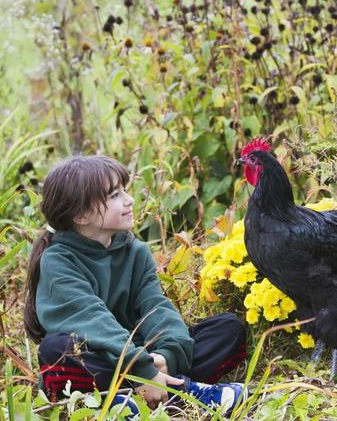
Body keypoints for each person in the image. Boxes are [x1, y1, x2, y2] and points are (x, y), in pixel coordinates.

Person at [23, 155, 247, 416]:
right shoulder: (58, 260)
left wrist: (164, 357)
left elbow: (156, 308)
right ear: (82, 215)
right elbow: (93, 319)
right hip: (99, 354)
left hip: (139, 354)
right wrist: (143, 370)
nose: (129, 200)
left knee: (227, 329)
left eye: (124, 191)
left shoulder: (135, 251)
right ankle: (182, 393)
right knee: (57, 351)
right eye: (115, 195)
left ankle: (134, 398)